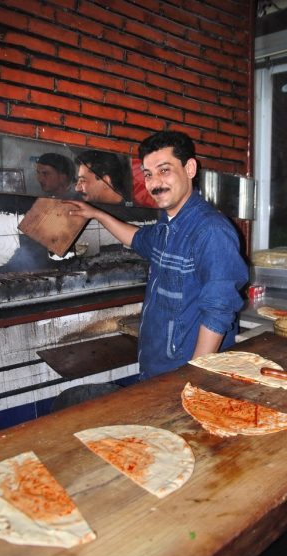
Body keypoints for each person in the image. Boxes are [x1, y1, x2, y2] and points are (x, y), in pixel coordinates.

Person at [64, 131, 249, 380]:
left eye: (164, 170)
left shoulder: (210, 230)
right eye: (148, 174)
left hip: (185, 371)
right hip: (159, 366)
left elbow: (218, 311)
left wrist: (194, 377)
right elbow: (137, 239)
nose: (154, 183)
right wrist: (97, 214)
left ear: (190, 168)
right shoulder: (167, 225)